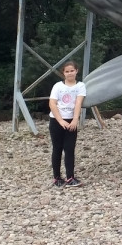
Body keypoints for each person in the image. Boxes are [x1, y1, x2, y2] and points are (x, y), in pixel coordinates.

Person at [48, 59, 86, 188]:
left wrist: (75, 120)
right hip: (56, 120)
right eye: (67, 71)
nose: (70, 73)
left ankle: (70, 177)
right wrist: (60, 120)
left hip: (71, 121)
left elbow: (78, 103)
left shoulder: (80, 86)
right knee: (57, 149)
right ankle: (57, 178)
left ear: (76, 71)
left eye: (72, 71)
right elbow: (52, 103)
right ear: (63, 73)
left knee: (69, 149)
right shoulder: (58, 86)